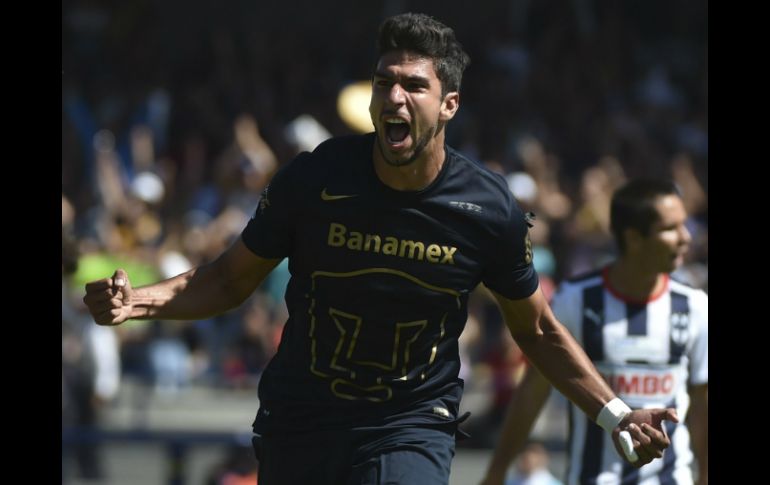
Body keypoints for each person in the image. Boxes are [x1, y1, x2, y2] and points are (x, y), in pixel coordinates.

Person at [83, 13, 675, 485]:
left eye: (414, 84)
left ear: (449, 105)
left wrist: (617, 414)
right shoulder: (313, 179)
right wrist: (138, 302)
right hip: (303, 417)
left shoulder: (488, 208)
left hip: (410, 421)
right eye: (384, 81)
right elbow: (228, 280)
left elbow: (538, 330)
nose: (395, 96)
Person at [481, 179, 708, 485]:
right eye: (671, 228)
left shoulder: (694, 306)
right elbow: (533, 391)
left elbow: (702, 403)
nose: (685, 237)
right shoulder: (575, 299)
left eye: (684, 225)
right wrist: (497, 472)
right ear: (634, 238)